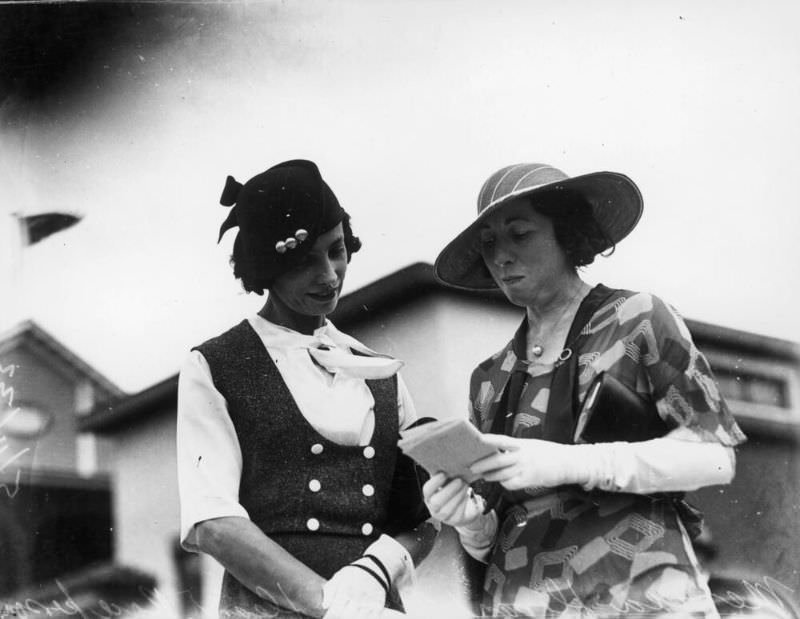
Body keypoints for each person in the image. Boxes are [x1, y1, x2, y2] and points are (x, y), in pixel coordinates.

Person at [423, 162, 747, 618]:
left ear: (567, 234)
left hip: (639, 592)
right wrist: (469, 522)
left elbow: (715, 457)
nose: (501, 257)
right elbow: (495, 537)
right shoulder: (488, 377)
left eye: (520, 234)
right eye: (489, 243)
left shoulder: (637, 318)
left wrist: (572, 462)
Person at [176, 159, 433, 618]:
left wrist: (376, 571)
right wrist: (334, 605)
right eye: (304, 261)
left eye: (336, 251)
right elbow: (212, 522)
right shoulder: (214, 366)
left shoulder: (381, 372)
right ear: (265, 269)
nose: (330, 275)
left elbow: (421, 519)